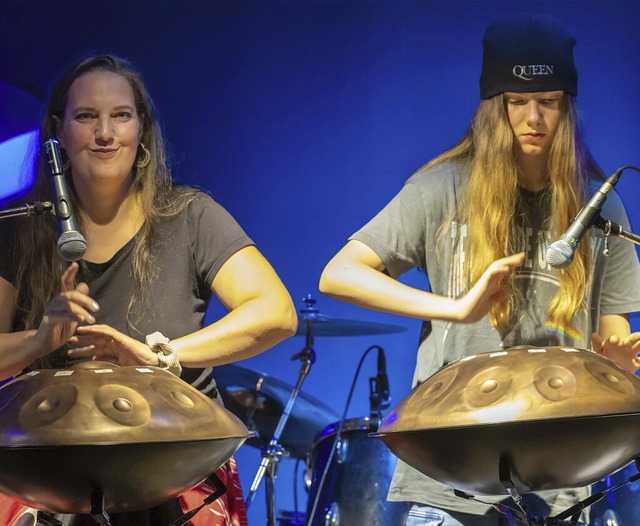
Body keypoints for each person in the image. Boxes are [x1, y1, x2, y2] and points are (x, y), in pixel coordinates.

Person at [319, 14, 640, 526]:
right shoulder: (442, 189)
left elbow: (612, 337)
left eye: (549, 101)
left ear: (567, 108)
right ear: (495, 108)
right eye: (517, 102)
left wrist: (618, 360)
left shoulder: (601, 207)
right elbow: (339, 274)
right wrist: (455, 309)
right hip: (452, 473)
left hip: (562, 473)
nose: (534, 116)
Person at [0, 54, 298, 525]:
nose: (105, 133)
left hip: (175, 470)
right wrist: (39, 340)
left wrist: (159, 356)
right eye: (86, 117)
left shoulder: (190, 214)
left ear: (142, 127)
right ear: (58, 128)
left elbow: (276, 313)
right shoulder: (17, 228)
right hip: (51, 477)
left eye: (121, 115)